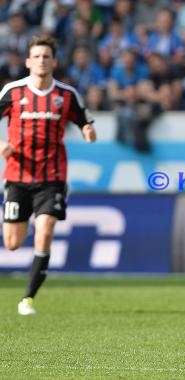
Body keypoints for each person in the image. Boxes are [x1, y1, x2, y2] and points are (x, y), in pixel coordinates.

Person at [0, 34, 97, 316]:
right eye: (37, 56)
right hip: (17, 175)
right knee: (13, 243)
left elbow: (86, 123)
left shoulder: (66, 95)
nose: (42, 61)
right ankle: (25, 221)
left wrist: (88, 132)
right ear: (28, 61)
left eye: (47, 56)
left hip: (52, 176)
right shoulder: (13, 92)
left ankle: (27, 298)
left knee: (45, 233)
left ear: (54, 61)